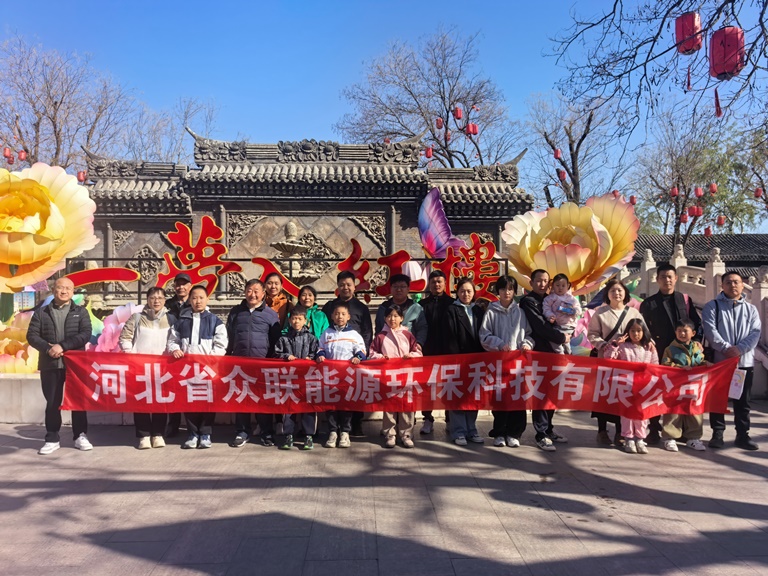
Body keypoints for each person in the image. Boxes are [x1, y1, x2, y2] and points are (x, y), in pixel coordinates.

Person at [27, 277, 93, 455]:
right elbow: (32, 336)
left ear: (73, 292)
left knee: (78, 402)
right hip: (51, 364)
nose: (64, 291)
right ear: (53, 290)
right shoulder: (42, 312)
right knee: (52, 402)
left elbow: (85, 334)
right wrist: (48, 349)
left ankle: (80, 435)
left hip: (75, 365)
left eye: (68, 288)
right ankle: (52, 437)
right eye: (60, 288)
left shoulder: (80, 312)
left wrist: (62, 346)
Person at [639, 263, 701, 445]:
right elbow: (643, 329)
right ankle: (654, 429)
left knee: (681, 393)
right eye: (663, 277)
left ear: (676, 278)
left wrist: (697, 342)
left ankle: (680, 430)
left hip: (682, 356)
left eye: (670, 276)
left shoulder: (685, 300)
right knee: (656, 393)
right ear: (657, 280)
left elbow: (695, 323)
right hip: (659, 355)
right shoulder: (649, 303)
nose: (667, 280)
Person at [703, 271, 762, 451]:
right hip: (721, 364)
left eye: (736, 282)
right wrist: (726, 349)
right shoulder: (712, 306)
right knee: (718, 400)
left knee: (743, 402)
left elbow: (755, 333)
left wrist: (740, 349)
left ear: (742, 285)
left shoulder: (751, 309)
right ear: (722, 286)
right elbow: (710, 330)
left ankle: (743, 435)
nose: (733, 285)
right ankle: (718, 434)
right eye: (728, 282)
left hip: (744, 363)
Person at [167, 285, 228, 449]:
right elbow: (172, 340)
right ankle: (192, 434)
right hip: (188, 369)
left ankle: (206, 434)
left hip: (208, 369)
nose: (198, 301)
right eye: (194, 297)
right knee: (190, 401)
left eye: (201, 297)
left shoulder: (215, 320)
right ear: (189, 300)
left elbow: (221, 344)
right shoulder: (182, 321)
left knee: (208, 401)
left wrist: (211, 360)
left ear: (207, 299)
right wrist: (175, 350)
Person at [587, 278, 644, 447]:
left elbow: (643, 332)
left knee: (623, 395)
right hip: (605, 359)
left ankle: (621, 431)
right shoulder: (600, 313)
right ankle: (602, 430)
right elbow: (592, 334)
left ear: (625, 293)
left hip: (627, 361)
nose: (616, 293)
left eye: (619, 290)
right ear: (607, 294)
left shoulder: (634, 313)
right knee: (603, 395)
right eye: (613, 291)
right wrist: (603, 345)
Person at [225, 279, 282, 447]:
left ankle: (266, 432)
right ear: (244, 292)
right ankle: (242, 432)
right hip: (240, 364)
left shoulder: (270, 314)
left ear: (263, 294)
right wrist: (228, 358)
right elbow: (229, 337)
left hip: (262, 364)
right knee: (241, 399)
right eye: (249, 290)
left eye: (257, 291)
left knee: (263, 400)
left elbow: (276, 340)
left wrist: (272, 361)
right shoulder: (236, 312)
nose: (253, 294)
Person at [480, 275, 534, 448]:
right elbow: (484, 335)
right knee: (500, 398)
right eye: (503, 289)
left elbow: (529, 334)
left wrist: (526, 344)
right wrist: (499, 344)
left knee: (518, 397)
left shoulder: (520, 311)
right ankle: (500, 432)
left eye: (510, 289)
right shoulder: (491, 311)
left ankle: (514, 432)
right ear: (498, 291)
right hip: (499, 363)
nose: (507, 292)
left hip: (518, 364)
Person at [119, 287, 176, 449]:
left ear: (165, 300)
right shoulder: (136, 318)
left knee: (161, 401)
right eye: (152, 297)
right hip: (140, 368)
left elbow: (175, 340)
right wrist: (129, 353)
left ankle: (158, 434)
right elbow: (125, 338)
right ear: (147, 299)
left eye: (160, 297)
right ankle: (143, 435)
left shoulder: (172, 319)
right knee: (141, 401)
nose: (156, 301)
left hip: (163, 368)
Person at [520, 269, 570, 451]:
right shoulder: (528, 301)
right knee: (540, 392)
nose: (542, 284)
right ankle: (540, 433)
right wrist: (561, 338)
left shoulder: (552, 299)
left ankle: (549, 428)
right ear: (531, 282)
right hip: (539, 353)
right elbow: (539, 327)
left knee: (553, 391)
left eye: (545, 281)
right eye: (538, 281)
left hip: (556, 355)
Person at [322, 270, 373, 437]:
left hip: (354, 359)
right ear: (338, 286)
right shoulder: (330, 306)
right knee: (334, 392)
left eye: (349, 285)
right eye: (342, 285)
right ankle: (333, 427)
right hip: (333, 360)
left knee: (355, 392)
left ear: (354, 286)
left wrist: (361, 354)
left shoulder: (361, 308)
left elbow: (367, 332)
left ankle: (355, 425)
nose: (345, 288)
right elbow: (323, 330)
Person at [369, 304, 423, 449]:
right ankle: (390, 434)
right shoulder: (380, 336)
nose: (392, 319)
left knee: (407, 406)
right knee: (390, 406)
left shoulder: (408, 335)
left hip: (406, 376)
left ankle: (406, 434)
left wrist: (410, 356)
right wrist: (381, 357)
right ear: (385, 318)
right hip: (389, 377)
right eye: (389, 316)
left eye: (396, 316)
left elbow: (418, 353)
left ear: (402, 318)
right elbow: (372, 353)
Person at [316, 302, 366, 448]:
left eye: (343, 314)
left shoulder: (354, 334)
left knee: (346, 404)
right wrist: (320, 355)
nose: (340, 317)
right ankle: (332, 431)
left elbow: (362, 350)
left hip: (347, 376)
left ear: (348, 316)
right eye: (337, 314)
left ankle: (345, 432)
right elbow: (320, 348)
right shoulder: (327, 333)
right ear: (332, 316)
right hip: (330, 375)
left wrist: (358, 357)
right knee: (331, 404)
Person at [606, 318, 658, 454]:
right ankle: (628, 438)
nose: (636, 334)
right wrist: (615, 345)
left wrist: (652, 383)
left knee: (642, 414)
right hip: (626, 387)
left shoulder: (649, 347)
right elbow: (608, 359)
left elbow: (655, 366)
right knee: (627, 414)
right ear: (627, 332)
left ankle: (640, 438)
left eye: (639, 331)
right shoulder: (622, 347)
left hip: (643, 387)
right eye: (632, 331)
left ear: (644, 332)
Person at [444, 278, 486, 446]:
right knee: (458, 395)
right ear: (457, 292)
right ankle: (458, 431)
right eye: (462, 291)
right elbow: (450, 337)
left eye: (469, 291)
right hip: (458, 360)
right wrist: (457, 360)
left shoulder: (479, 310)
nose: (466, 294)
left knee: (473, 396)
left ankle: (471, 429)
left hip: (476, 360)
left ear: (474, 292)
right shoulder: (452, 310)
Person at [274, 305, 320, 450]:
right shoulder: (283, 338)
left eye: (300, 319)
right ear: (289, 320)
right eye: (294, 318)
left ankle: (308, 436)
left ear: (306, 321)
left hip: (307, 379)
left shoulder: (311, 338)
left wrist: (310, 358)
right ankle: (288, 435)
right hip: (289, 379)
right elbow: (276, 354)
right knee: (289, 407)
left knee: (308, 406)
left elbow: (317, 353)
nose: (296, 321)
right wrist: (286, 356)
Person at [659, 319, 707, 452]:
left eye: (685, 331)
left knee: (695, 411)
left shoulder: (697, 347)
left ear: (693, 333)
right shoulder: (670, 349)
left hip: (694, 386)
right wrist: (679, 368)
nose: (682, 334)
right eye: (679, 331)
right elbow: (665, 365)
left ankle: (694, 437)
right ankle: (670, 437)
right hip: (675, 386)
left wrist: (707, 365)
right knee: (674, 412)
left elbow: (700, 361)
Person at [419, 270, 454, 435]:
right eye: (433, 282)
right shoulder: (422, 305)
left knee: (449, 387)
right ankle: (427, 419)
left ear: (445, 283)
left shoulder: (453, 304)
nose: (436, 285)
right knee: (428, 388)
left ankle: (450, 419)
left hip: (448, 352)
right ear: (429, 284)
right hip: (428, 353)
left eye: (439, 281)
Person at [164, 272, 192, 438]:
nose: (181, 287)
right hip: (171, 351)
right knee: (172, 389)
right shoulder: (167, 304)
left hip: (189, 352)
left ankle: (190, 427)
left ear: (190, 286)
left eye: (184, 284)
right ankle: (172, 425)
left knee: (189, 390)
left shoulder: (194, 302)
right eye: (178, 284)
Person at [374, 273, 428, 346]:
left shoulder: (416, 308)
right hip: (387, 349)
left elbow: (422, 329)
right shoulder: (383, 308)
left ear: (408, 288)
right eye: (395, 286)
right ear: (391, 288)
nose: (399, 290)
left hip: (410, 349)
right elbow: (378, 329)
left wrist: (418, 344)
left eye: (402, 286)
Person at [542, 273, 581, 354]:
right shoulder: (549, 298)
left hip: (569, 325)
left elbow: (579, 309)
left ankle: (565, 355)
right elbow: (546, 308)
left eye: (563, 285)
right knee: (556, 342)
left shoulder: (571, 298)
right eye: (557, 285)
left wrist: (574, 311)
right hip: (557, 325)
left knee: (564, 342)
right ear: (553, 286)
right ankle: (562, 354)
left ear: (568, 286)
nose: (560, 288)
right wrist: (550, 316)